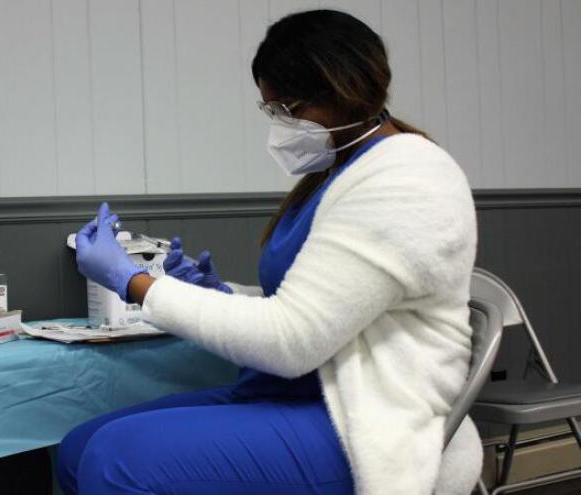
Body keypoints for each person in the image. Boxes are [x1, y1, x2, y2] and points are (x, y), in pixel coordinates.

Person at [59, 9, 481, 495]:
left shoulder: (404, 181)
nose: (280, 125)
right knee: (80, 448)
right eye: (270, 110)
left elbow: (292, 341)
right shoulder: (341, 170)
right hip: (306, 393)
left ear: (340, 92)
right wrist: (219, 294)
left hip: (369, 421)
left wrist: (135, 284)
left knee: (115, 461)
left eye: (287, 108)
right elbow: (326, 307)